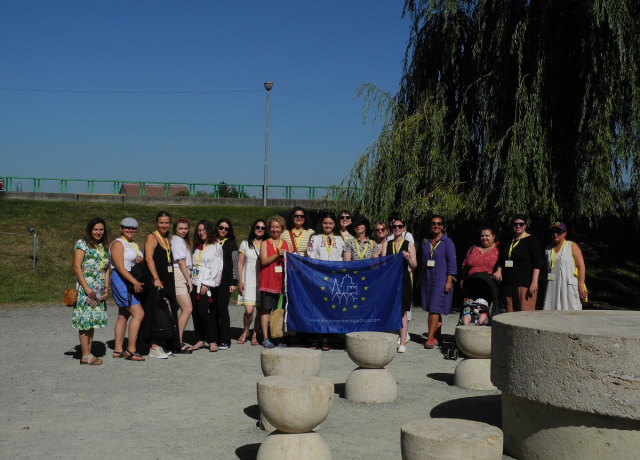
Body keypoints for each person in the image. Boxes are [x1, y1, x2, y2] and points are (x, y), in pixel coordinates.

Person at [142, 211, 180, 359]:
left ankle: (164, 342)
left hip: (168, 279)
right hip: (156, 281)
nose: (164, 225)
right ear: (156, 223)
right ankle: (153, 346)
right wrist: (156, 278)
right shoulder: (152, 236)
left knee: (167, 311)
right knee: (156, 312)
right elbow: (149, 259)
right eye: (161, 222)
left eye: (166, 223)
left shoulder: (166, 238)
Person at [72, 218, 110, 365]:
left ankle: (88, 352)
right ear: (90, 230)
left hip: (98, 288)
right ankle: (85, 354)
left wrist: (106, 288)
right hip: (86, 287)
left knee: (92, 319)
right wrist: (86, 288)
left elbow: (106, 269)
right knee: (84, 320)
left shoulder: (102, 246)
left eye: (101, 229)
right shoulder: (82, 244)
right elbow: (77, 266)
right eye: (95, 229)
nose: (98, 232)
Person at [306, 212, 346, 351]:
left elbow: (343, 260)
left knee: (330, 309)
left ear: (334, 225)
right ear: (321, 224)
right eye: (325, 223)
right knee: (316, 309)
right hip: (318, 278)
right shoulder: (315, 238)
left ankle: (326, 339)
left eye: (330, 223)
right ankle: (313, 338)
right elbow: (311, 256)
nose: (327, 225)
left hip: (335, 280)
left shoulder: (341, 240)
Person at [109, 217, 145, 361]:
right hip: (122, 280)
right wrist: (134, 282)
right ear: (121, 228)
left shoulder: (133, 244)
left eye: (133, 228)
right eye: (127, 227)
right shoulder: (118, 243)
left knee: (124, 315)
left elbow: (130, 262)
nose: (130, 230)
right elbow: (119, 266)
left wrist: (140, 261)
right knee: (139, 314)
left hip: (129, 280)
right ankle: (131, 349)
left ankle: (118, 350)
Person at [420, 215, 456, 349]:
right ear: (430, 226)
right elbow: (423, 262)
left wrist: (449, 281)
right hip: (427, 278)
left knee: (434, 308)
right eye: (434, 223)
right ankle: (437, 336)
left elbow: (452, 264)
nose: (436, 226)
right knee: (434, 307)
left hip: (441, 279)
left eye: (439, 224)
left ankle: (429, 337)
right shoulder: (426, 242)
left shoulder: (447, 242)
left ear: (443, 226)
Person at [382, 217, 417, 353]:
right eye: (394, 226)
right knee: (390, 309)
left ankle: (402, 342)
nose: (397, 228)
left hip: (404, 279)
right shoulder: (387, 243)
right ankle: (389, 338)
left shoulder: (409, 245)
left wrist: (408, 258)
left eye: (399, 226)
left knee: (403, 311)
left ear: (404, 228)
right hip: (390, 281)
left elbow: (414, 266)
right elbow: (384, 263)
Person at [493, 214, 542, 312]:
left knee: (525, 314)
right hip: (508, 282)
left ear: (526, 225)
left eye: (521, 224)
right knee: (510, 313)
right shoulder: (508, 241)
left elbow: (537, 262)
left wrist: (534, 281)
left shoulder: (532, 240)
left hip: (525, 283)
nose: (518, 226)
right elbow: (502, 259)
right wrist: (499, 269)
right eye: (515, 224)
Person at [190, 220, 224, 352]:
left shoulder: (216, 246)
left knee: (204, 312)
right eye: (199, 230)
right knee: (195, 312)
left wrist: (207, 284)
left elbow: (217, 266)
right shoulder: (198, 246)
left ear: (209, 230)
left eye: (203, 230)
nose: (201, 232)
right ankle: (199, 339)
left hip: (205, 283)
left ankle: (212, 339)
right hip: (194, 281)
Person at [259, 215, 290, 348]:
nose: (275, 229)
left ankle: (279, 336)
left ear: (282, 228)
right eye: (272, 226)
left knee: (281, 311)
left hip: (282, 283)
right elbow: (264, 261)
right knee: (266, 310)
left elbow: (292, 263)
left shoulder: (287, 244)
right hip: (267, 281)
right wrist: (277, 255)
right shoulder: (265, 243)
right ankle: (266, 338)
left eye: (277, 227)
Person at [543, 222, 587, 310]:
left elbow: (581, 267)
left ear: (565, 233)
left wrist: (580, 286)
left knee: (571, 312)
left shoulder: (572, 246)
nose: (555, 234)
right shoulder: (548, 249)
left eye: (559, 232)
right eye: (553, 232)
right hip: (552, 286)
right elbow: (545, 270)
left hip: (568, 286)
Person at [237, 219, 267, 346]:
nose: (260, 229)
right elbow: (240, 262)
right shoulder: (245, 243)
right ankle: (245, 331)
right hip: (248, 278)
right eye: (257, 227)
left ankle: (255, 334)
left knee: (260, 310)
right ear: (253, 228)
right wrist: (240, 280)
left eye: (262, 228)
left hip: (262, 279)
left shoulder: (267, 244)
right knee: (249, 310)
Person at [213, 218, 239, 350]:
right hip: (211, 280)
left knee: (222, 309)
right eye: (221, 227)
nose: (223, 230)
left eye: (226, 229)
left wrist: (234, 282)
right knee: (213, 309)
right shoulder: (211, 242)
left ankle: (225, 339)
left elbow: (235, 264)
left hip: (225, 281)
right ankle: (214, 337)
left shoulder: (231, 244)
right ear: (217, 227)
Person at [170, 217, 194, 353]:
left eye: (185, 228)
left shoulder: (179, 241)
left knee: (182, 309)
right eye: (180, 228)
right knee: (187, 309)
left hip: (181, 273)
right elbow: (181, 262)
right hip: (180, 274)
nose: (183, 231)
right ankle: (177, 341)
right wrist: (188, 281)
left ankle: (177, 340)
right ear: (175, 229)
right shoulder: (177, 242)